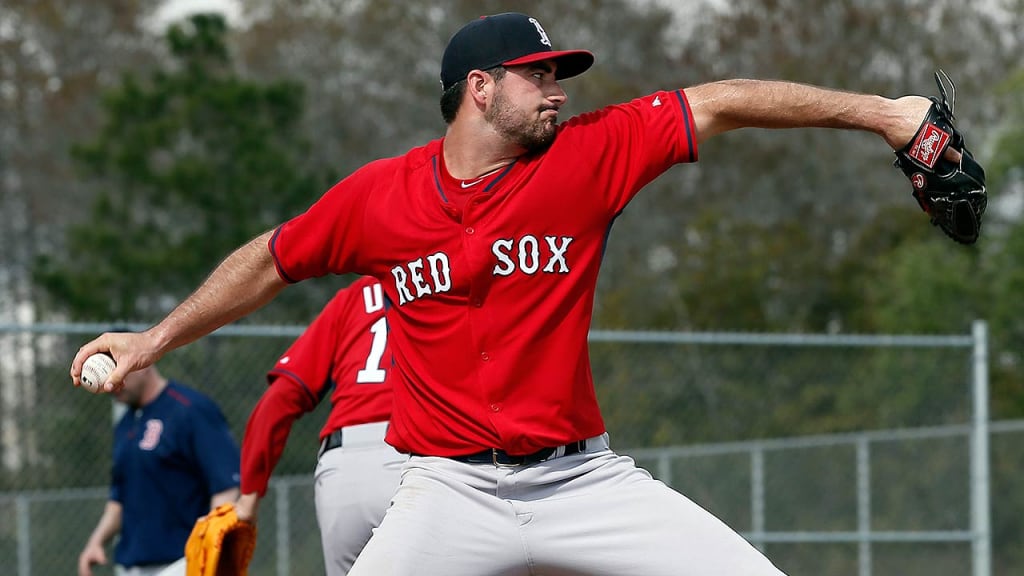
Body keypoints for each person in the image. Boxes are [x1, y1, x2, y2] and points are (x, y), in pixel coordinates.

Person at [71, 11, 956, 575]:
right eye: (539, 74)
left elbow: (719, 100)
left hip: (584, 481)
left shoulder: (586, 157)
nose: (558, 89)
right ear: (479, 90)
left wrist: (887, 113)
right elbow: (269, 258)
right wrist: (152, 342)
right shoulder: (380, 197)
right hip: (448, 494)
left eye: (558, 74)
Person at [231, 276, 403, 575]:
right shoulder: (444, 281)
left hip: (341, 472)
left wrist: (249, 499)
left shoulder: (351, 298)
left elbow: (279, 400)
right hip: (413, 460)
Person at [77, 361, 240, 576]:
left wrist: (208, 552)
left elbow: (226, 488)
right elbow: (119, 500)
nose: (110, 385)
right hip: (132, 566)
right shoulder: (126, 424)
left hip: (183, 562)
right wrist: (95, 542)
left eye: (116, 375)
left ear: (142, 364)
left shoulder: (191, 409)